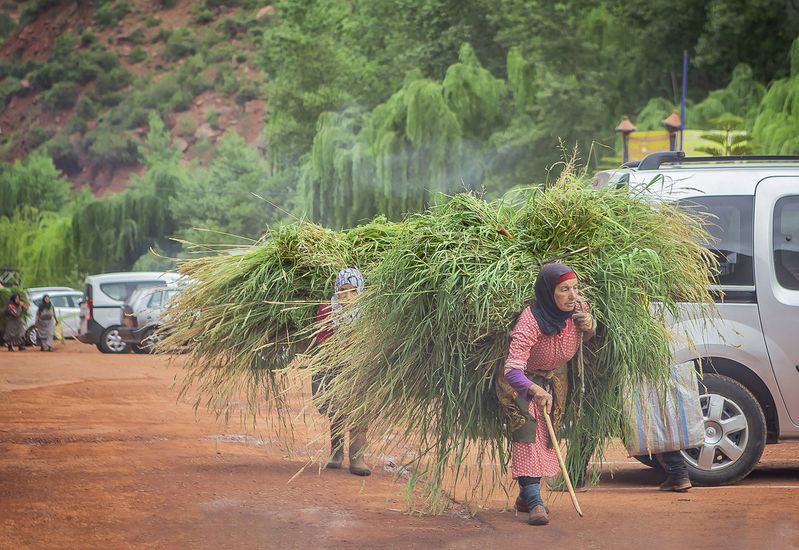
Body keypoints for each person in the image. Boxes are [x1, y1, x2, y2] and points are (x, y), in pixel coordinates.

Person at [501, 263, 596, 526]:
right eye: (564, 289)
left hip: (556, 377)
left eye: (575, 288)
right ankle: (535, 503)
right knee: (527, 431)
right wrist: (534, 389)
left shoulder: (579, 308)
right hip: (522, 380)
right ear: (547, 292)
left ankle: (524, 496)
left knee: (547, 434)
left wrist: (589, 327)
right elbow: (511, 369)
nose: (572, 295)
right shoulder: (530, 321)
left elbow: (585, 338)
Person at [312, 267, 371, 477]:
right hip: (333, 366)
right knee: (337, 410)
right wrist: (338, 350)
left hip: (361, 366)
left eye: (353, 290)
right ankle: (336, 453)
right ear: (336, 289)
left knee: (360, 411)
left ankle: (358, 457)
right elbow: (322, 338)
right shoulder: (328, 308)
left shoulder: (369, 310)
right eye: (343, 290)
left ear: (360, 291)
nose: (347, 295)